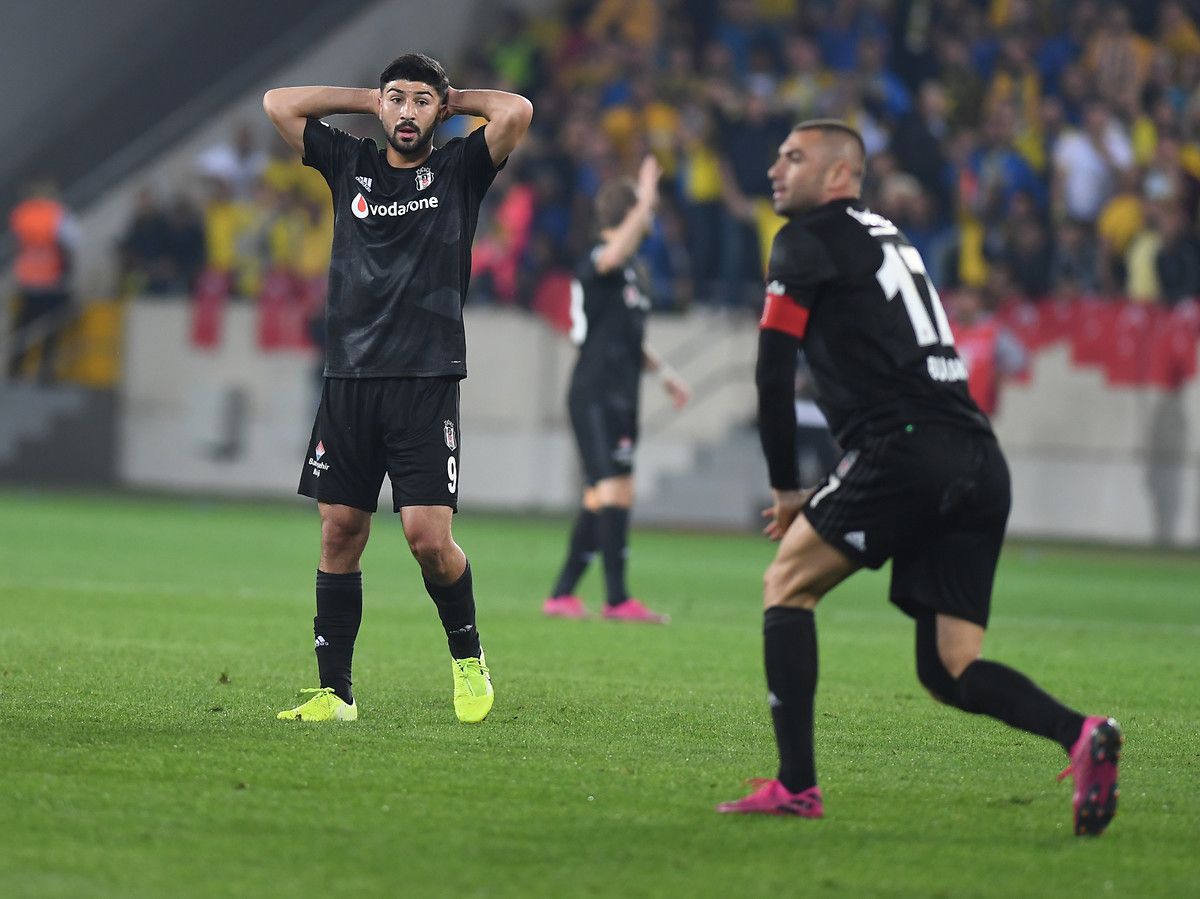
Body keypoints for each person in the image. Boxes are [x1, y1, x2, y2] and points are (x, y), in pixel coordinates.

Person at [717, 120, 1122, 838]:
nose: (776, 168)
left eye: (795, 156)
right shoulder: (888, 237)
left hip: (903, 447)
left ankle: (797, 786)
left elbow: (774, 368)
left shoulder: (805, 238)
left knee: (787, 583)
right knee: (949, 665)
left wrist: (786, 486)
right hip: (976, 456)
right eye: (777, 154)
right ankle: (1081, 733)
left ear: (840, 175)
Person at [262, 53, 532, 723]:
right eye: (396, 100)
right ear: (379, 108)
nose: (406, 111)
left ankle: (467, 658)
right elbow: (277, 102)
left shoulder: (459, 171)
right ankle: (335, 692)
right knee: (339, 531)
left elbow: (516, 111)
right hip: (349, 377)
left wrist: (451, 96)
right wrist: (367, 94)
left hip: (425, 378)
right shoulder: (350, 162)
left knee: (427, 539)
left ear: (438, 111)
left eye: (419, 101)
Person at [542, 156, 690, 623]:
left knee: (602, 494)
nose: (652, 218)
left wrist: (665, 373)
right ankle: (618, 599)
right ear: (631, 214)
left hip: (623, 392)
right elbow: (610, 255)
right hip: (594, 391)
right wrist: (645, 194)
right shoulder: (597, 259)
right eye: (648, 211)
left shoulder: (632, 273)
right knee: (613, 489)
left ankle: (562, 594)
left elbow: (628, 336)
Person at [8, 179, 79, 381]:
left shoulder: (22, 213)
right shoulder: (58, 215)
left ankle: (15, 371)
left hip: (28, 280)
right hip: (51, 281)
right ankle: (45, 372)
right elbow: (73, 242)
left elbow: (17, 244)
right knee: (50, 330)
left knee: (22, 328)